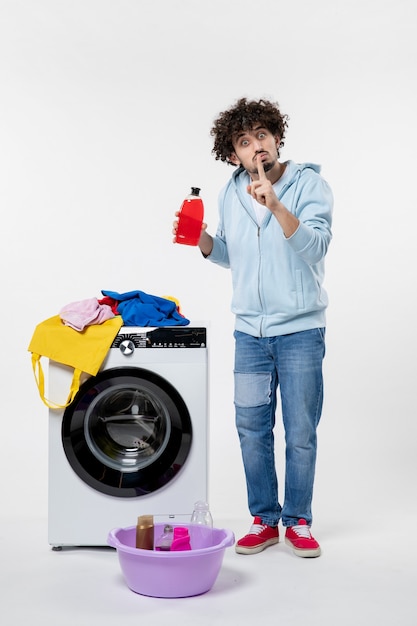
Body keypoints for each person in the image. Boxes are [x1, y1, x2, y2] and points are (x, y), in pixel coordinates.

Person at [173, 97, 333, 557]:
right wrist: (201, 240)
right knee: (251, 428)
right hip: (250, 335)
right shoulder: (229, 191)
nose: (256, 147)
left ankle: (298, 521)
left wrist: (278, 206)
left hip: (301, 330)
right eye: (244, 142)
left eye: (262, 135)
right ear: (233, 154)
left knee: (300, 430)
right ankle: (263, 519)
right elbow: (231, 253)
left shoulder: (311, 185)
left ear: (277, 139)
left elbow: (316, 247)